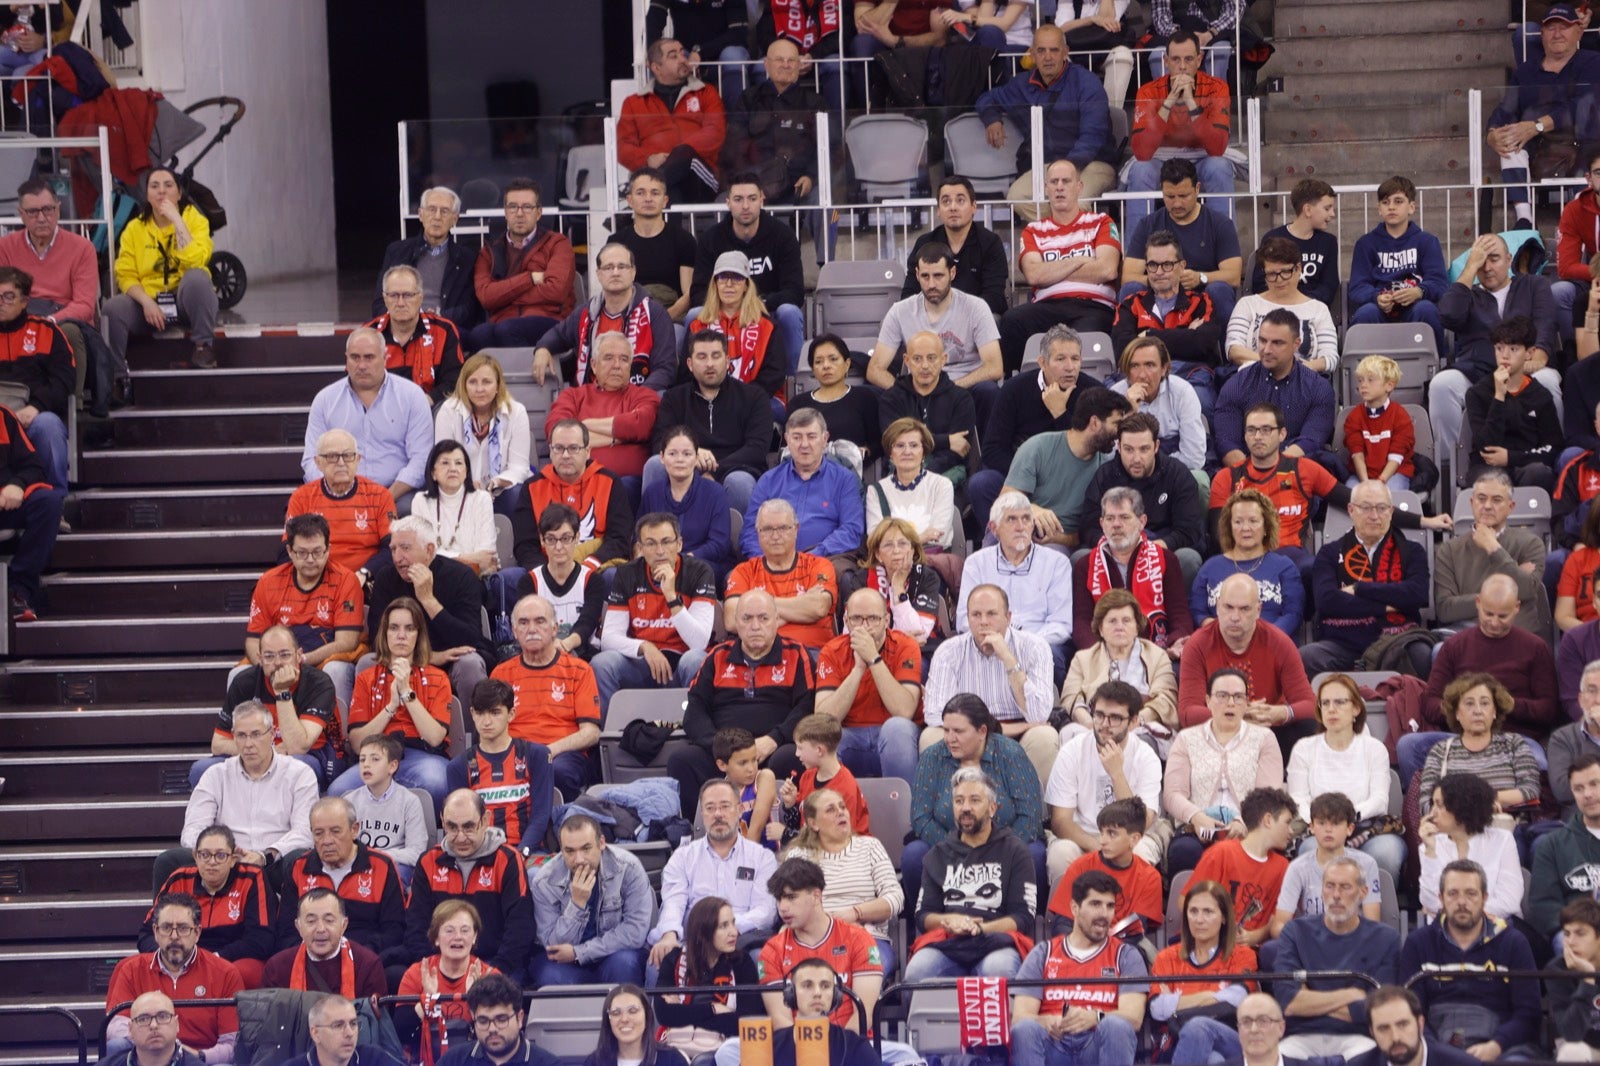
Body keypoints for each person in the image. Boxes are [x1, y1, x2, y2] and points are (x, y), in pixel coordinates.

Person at [669, 589, 810, 817]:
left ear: (776, 621)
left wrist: (774, 739)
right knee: (682, 759)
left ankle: (786, 828)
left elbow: (806, 707)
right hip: (724, 752)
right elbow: (694, 710)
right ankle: (692, 832)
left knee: (794, 756)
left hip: (772, 749)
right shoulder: (717, 656)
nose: (755, 626)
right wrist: (723, 749)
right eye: (747, 618)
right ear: (735, 622)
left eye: (763, 618)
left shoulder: (795, 653)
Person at [904, 694, 1047, 911]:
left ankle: (1025, 927)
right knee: (914, 855)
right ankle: (922, 929)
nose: (949, 738)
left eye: (958, 731)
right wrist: (958, 849)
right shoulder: (932, 758)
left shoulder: (1010, 753)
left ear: (982, 731)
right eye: (946, 730)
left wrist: (994, 854)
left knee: (1034, 854)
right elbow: (921, 818)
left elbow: (1030, 816)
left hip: (1004, 847)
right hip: (948, 847)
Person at [1431, 232, 1563, 462]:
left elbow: (1546, 323)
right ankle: (1452, 468)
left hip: (1526, 370)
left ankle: (1553, 462)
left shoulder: (1533, 284)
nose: (1487, 267)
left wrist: (1538, 359)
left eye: (1494, 258)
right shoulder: (1468, 295)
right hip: (1478, 372)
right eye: (1481, 260)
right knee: (1442, 385)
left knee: (1549, 380)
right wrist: (1470, 268)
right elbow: (1448, 315)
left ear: (1509, 259)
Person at [165, 701, 317, 891]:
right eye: (241, 736)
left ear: (271, 734)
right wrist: (221, 854)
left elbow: (305, 832)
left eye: (255, 735)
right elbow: (191, 831)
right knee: (169, 860)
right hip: (226, 863)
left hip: (274, 862)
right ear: (233, 737)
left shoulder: (300, 774)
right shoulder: (215, 775)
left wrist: (265, 855)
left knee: (299, 858)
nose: (248, 744)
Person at [1399, 859, 1542, 1059]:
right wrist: (1436, 1052)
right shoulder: (1418, 943)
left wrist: (1496, 1045)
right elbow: (1411, 1012)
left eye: (1471, 894)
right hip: (1436, 1047)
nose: (1462, 902)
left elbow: (1529, 1013)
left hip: (1501, 1048)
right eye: (1453, 893)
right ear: (1441, 898)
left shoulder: (1513, 943)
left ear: (1484, 898)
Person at [905, 767, 1037, 981]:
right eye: (958, 801)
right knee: (917, 971)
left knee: (999, 969)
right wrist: (950, 920)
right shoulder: (937, 854)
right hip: (948, 943)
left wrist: (980, 928)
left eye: (974, 800)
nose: (965, 808)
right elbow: (923, 916)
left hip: (996, 943)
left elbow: (1023, 917)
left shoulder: (1015, 851)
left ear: (993, 808)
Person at [1009, 870, 1148, 1066]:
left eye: (1110, 906)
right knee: (1024, 1029)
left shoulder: (1126, 955)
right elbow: (1020, 1017)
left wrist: (1096, 1017)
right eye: (1095, 904)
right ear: (1074, 908)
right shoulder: (1044, 953)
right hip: (1054, 1043)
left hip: (1097, 1043)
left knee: (1116, 1025)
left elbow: (1133, 1018)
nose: (1103, 914)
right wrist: (1046, 1021)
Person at [925, 586, 1058, 787]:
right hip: (968, 734)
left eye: (992, 614)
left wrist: (1008, 658)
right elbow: (934, 714)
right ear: (967, 618)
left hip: (1023, 735)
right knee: (931, 736)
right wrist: (996, 729)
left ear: (1008, 617)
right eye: (976, 615)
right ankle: (948, 812)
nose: (984, 622)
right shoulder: (948, 652)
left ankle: (1039, 815)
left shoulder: (1035, 647)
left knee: (1045, 736)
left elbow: (1038, 715)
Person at [975, 24, 1117, 214]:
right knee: (1017, 197)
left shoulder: (1087, 82)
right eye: (1041, 50)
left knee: (1078, 200)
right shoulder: (1022, 84)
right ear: (1032, 54)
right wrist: (992, 119)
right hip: (1050, 167)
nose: (1047, 57)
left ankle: (1069, 241)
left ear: (1065, 52)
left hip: (1094, 164)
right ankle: (1056, 239)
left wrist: (1065, 171)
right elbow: (986, 98)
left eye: (1054, 50)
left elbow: (1092, 137)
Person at [328, 597, 453, 809]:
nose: (401, 636)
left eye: (409, 628)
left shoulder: (438, 677)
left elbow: (434, 737)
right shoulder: (366, 678)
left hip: (421, 756)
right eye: (394, 628)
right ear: (385, 634)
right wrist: (391, 706)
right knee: (338, 792)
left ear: (418, 635)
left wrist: (407, 693)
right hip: (377, 755)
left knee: (438, 782)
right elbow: (358, 744)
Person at [1300, 479, 1433, 677]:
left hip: (1396, 641)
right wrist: (1384, 606)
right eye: (1366, 508)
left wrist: (1360, 589)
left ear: (1391, 512)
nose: (1374, 516)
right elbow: (1326, 601)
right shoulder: (1330, 552)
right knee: (1306, 657)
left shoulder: (1411, 551)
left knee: (1421, 654)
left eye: (1381, 508)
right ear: (1351, 510)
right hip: (1342, 644)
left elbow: (1417, 594)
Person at [973, 324, 1104, 524]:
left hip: (1071, 480)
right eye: (1061, 359)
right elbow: (993, 450)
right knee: (982, 483)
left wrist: (1060, 413)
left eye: (1075, 359)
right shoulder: (1014, 389)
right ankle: (998, 543)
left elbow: (1090, 451)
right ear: (1042, 362)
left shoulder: (1094, 393)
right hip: (1020, 475)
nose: (1070, 367)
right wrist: (1026, 477)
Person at [998, 160, 1123, 370]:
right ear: (1046, 188)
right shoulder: (1033, 230)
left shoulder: (1102, 222)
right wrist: (1079, 260)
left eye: (1066, 181)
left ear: (1079, 187)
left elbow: (1107, 269)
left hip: (1093, 307)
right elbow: (1034, 276)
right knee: (1011, 321)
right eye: (1054, 182)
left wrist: (1053, 270)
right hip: (1048, 307)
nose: (1059, 187)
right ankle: (1021, 389)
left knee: (1076, 348)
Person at [1273, 857, 1401, 1060]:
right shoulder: (1295, 932)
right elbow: (1289, 1003)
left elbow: (1377, 1009)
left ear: (1363, 893)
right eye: (1330, 886)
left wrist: (1310, 1001)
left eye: (1345, 887)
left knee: (1374, 1057)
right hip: (1300, 1036)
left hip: (1357, 1038)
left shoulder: (1386, 939)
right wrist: (1352, 994)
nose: (1336, 895)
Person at [1487, 2, 1600, 228]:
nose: (1557, 34)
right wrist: (1492, 134)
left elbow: (1584, 105)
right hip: (1541, 148)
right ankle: (1524, 219)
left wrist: (1536, 126)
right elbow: (1505, 109)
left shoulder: (1593, 62)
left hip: (1584, 144)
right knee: (1509, 138)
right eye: (1551, 28)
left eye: (1564, 27)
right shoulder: (1526, 71)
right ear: (1541, 34)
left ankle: (1583, 219)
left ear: (1579, 30)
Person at [1164, 669, 1287, 875]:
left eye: (1238, 697)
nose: (1231, 703)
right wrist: (1196, 816)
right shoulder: (1186, 739)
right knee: (1183, 851)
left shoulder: (1264, 738)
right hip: (1197, 828)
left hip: (1250, 827)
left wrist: (1244, 821)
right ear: (1208, 701)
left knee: (1255, 849)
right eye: (1222, 696)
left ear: (1246, 703)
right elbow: (1172, 794)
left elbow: (1269, 794)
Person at [593, 511, 719, 710]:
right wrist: (645, 647)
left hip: (681, 665)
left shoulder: (700, 571)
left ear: (679, 544)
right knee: (603, 663)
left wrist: (671, 598)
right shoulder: (627, 574)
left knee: (696, 660)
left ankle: (696, 731)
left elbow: (698, 642)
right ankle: (607, 737)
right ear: (640, 548)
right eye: (651, 543)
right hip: (643, 664)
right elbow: (608, 638)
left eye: (667, 542)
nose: (660, 550)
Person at [751, 858, 885, 1041]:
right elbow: (781, 1020)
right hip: (798, 1050)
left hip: (854, 1046)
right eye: (779, 899)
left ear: (816, 896)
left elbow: (864, 1014)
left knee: (906, 1054)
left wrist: (838, 1052)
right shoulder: (772, 951)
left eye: (791, 897)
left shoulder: (858, 939)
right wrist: (811, 1054)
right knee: (728, 1051)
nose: (782, 907)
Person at [1288, 675, 1406, 883]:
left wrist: (1347, 820)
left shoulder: (1374, 749)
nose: (1331, 709)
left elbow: (1379, 800)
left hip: (1367, 827)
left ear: (1356, 709)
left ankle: (1375, 912)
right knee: (1310, 850)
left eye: (1340, 702)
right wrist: (1323, 823)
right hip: (1318, 829)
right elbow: (1298, 800)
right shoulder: (1303, 749)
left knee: (1387, 854)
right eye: (1325, 703)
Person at [369, 506, 492, 707]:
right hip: (403, 657)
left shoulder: (462, 576)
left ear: (429, 550)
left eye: (405, 548)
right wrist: (428, 657)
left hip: (452, 660)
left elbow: (470, 639)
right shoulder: (386, 578)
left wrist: (428, 600)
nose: (398, 557)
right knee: (368, 662)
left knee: (470, 663)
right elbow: (377, 638)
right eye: (393, 549)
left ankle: (473, 736)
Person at [406, 790, 535, 979]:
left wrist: (492, 972)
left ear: (485, 821)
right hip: (441, 965)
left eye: (468, 827)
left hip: (495, 964)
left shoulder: (507, 860)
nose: (460, 837)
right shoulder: (428, 862)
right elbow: (416, 927)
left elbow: (520, 928)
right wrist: (439, 970)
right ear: (442, 819)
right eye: (451, 827)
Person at [1046, 679, 1167, 881]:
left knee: (1140, 854)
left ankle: (1129, 913)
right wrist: (1100, 847)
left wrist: (1117, 774)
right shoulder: (1072, 751)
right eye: (1099, 715)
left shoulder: (1146, 757)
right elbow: (1060, 822)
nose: (1104, 725)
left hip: (1132, 838)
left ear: (1134, 721)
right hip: (1082, 835)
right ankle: (1065, 913)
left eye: (1115, 718)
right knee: (1061, 854)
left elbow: (1140, 824)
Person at [649, 779, 780, 965]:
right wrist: (669, 935)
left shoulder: (762, 858)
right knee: (660, 960)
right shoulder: (682, 857)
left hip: (742, 941)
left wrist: (723, 930)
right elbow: (673, 903)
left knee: (761, 957)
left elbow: (765, 912)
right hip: (694, 942)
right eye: (710, 808)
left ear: (740, 810)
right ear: (702, 813)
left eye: (725, 806)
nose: (718, 814)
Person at [0, 178, 105, 410]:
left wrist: (46, 323)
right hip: (18, 318)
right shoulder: (5, 247)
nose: (41, 217)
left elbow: (85, 305)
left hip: (62, 319)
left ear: (58, 208)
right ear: (21, 214)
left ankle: (73, 407)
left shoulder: (82, 248)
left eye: (48, 209)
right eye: (33, 211)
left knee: (68, 331)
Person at [1420, 573, 1561, 745]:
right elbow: (1429, 702)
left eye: (1503, 616)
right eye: (1488, 614)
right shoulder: (1454, 646)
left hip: (1515, 739)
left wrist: (1510, 705)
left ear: (1517, 607)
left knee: (1538, 762)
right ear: (1478, 603)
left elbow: (1549, 710)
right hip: (1462, 737)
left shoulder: (1535, 648)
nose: (1494, 623)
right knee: (1409, 745)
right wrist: (1463, 709)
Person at [488, 594, 602, 799]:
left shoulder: (580, 671)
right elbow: (491, 731)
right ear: (514, 631)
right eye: (523, 622)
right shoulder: (500, 674)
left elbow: (591, 733)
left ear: (554, 629)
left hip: (563, 754)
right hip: (514, 755)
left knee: (557, 771)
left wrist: (548, 751)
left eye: (539, 621)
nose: (531, 629)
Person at [102, 166, 218, 368]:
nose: (161, 191)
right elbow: (125, 274)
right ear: (147, 195)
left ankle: (203, 348)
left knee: (197, 278)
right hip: (149, 307)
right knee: (113, 308)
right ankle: (116, 377)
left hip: (184, 304)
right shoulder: (134, 229)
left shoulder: (195, 220)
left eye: (168, 185)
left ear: (179, 193)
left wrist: (177, 221)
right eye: (154, 186)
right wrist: (147, 302)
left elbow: (196, 261)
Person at [302, 328, 434, 505]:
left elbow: (421, 459)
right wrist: (337, 493)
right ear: (346, 359)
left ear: (385, 357)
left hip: (396, 495)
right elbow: (311, 460)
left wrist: (385, 498)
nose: (362, 365)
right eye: (355, 358)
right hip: (337, 493)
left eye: (369, 357)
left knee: (410, 509)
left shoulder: (412, 396)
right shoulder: (325, 400)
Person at [869, 251, 1002, 426]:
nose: (931, 284)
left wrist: (949, 389)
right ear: (917, 275)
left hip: (964, 387)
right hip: (917, 388)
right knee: (870, 394)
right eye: (925, 276)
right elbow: (875, 369)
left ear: (952, 273)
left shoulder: (976, 307)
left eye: (938, 276)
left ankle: (986, 452)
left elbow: (995, 367)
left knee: (988, 391)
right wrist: (904, 392)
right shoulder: (900, 310)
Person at [783, 789, 906, 975]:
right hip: (811, 939)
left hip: (867, 937)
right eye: (830, 810)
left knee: (861, 971)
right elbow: (788, 906)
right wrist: (829, 924)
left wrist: (854, 913)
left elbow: (895, 898)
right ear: (813, 823)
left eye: (842, 807)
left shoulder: (870, 847)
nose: (841, 812)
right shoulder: (799, 857)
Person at [105, 898, 242, 1065]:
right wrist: (160, 1047)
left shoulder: (225, 972)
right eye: (166, 928)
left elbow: (232, 1044)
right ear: (155, 932)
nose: (174, 936)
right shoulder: (131, 969)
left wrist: (192, 1054)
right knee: (117, 1047)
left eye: (183, 928)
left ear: (197, 933)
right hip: (148, 1054)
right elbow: (116, 1028)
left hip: (200, 1058)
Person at [687, 175, 806, 368]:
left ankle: (794, 385)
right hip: (723, 312)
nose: (745, 206)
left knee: (790, 312)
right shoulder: (711, 239)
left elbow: (795, 291)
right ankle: (696, 386)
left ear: (762, 200)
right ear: (728, 203)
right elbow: (698, 292)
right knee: (695, 314)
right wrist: (728, 307)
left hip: (768, 310)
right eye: (738, 199)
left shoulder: (782, 236)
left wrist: (757, 304)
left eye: (751, 198)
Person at [206, 621, 341, 789]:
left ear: (298, 656)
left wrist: (282, 691)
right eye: (269, 656)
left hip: (310, 756)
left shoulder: (319, 683)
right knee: (202, 769)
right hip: (255, 754)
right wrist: (265, 752)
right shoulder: (244, 683)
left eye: (285, 655)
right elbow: (218, 743)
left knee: (292, 766)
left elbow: (297, 746)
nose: (277, 663)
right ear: (260, 659)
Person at [1124, 33, 1235, 233]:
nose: (1182, 66)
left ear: (1199, 60)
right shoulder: (1148, 91)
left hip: (1202, 157)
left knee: (1219, 166)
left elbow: (1217, 148)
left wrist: (1191, 102)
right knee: (1140, 171)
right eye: (1175, 59)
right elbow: (1141, 152)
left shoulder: (1217, 88)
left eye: (1189, 59)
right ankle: (1136, 258)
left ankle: (1227, 252)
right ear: (1166, 61)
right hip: (1160, 158)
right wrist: (1169, 101)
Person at [530, 242, 677, 392]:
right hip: (592, 400)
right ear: (598, 274)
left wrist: (635, 398)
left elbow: (665, 369)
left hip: (637, 400)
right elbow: (557, 335)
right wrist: (543, 349)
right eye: (608, 267)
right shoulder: (585, 313)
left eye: (622, 267)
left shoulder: (655, 313)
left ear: (633, 272)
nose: (615, 272)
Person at [957, 492, 1076, 677]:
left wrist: (1021, 644)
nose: (1020, 527)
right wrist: (996, 642)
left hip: (1039, 643)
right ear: (994, 528)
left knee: (1052, 656)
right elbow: (964, 620)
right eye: (1011, 519)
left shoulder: (1057, 563)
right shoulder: (976, 563)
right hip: (988, 640)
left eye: (1026, 519)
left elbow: (1061, 624)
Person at [1177, 573, 1314, 732]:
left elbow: (1310, 705)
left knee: (1307, 726)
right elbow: (1187, 712)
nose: (1235, 617)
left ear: (1258, 610)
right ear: (1217, 606)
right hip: (1216, 734)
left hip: (1268, 730)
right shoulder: (1197, 645)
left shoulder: (1279, 642)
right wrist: (1236, 716)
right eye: (1228, 607)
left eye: (1244, 609)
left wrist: (1282, 713)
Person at [274, 796, 407, 960]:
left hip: (364, 959)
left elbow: (394, 930)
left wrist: (354, 956)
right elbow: (287, 931)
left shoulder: (382, 866)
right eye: (319, 833)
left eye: (335, 831)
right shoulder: (298, 867)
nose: (327, 841)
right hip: (310, 960)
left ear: (354, 829)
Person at [141, 826, 274, 989]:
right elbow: (146, 934)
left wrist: (212, 960)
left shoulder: (251, 877)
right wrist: (172, 955)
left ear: (233, 859)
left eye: (220, 855)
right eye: (204, 855)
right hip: (181, 953)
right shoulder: (178, 879)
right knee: (132, 967)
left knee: (243, 972)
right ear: (195, 857)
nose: (212, 862)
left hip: (231, 958)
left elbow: (261, 939)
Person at [1071, 486, 1196, 659]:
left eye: (1124, 517)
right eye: (1110, 518)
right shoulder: (1085, 565)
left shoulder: (1166, 559)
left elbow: (1180, 614)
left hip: (1157, 652)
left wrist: (1174, 643)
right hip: (1104, 654)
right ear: (1102, 523)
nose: (1116, 524)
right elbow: (1082, 622)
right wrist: (1100, 654)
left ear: (1142, 521)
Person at [529, 813, 653, 987]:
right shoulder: (545, 881)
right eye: (570, 851)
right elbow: (553, 944)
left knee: (625, 963)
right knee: (549, 975)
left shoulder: (628, 869)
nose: (579, 859)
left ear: (601, 843)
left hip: (612, 954)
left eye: (586, 848)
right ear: (561, 849)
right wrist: (577, 905)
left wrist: (580, 952)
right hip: (565, 962)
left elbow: (635, 932)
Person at [1001, 385, 1131, 550]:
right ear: (1095, 422)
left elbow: (1089, 532)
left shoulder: (1105, 469)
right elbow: (1004, 501)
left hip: (1056, 543)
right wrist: (1031, 509)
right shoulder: (1038, 447)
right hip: (1018, 526)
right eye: (1116, 424)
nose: (1120, 432)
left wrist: (1060, 538)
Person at [815, 586, 923, 783]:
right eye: (857, 619)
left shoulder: (906, 645)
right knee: (825, 742)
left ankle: (906, 810)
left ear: (887, 620)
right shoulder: (832, 650)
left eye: (873, 618)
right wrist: (858, 669)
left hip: (896, 736)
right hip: (852, 737)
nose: (865, 626)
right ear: (846, 621)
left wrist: (873, 658)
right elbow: (824, 721)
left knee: (897, 728)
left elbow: (904, 711)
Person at [721, 40, 823, 248]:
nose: (785, 65)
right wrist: (747, 182)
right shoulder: (749, 99)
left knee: (826, 204)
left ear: (799, 65)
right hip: (753, 183)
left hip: (799, 185)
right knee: (721, 203)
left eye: (791, 60)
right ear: (766, 64)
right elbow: (735, 145)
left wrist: (811, 176)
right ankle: (729, 265)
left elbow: (829, 146)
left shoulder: (815, 102)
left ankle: (826, 265)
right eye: (779, 60)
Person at [1082, 409, 1207, 573]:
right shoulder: (1105, 476)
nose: (1136, 458)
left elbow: (1189, 529)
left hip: (1163, 548)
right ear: (1118, 447)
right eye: (1128, 449)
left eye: (1144, 449)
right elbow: (1088, 527)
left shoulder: (1177, 474)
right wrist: (1116, 546)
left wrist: (1153, 548)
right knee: (1081, 558)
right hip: (1115, 548)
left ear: (1156, 446)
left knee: (1188, 558)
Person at [1149, 880, 1259, 1066]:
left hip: (1231, 1038)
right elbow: (1158, 1009)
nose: (1199, 919)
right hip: (1178, 1041)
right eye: (1193, 911)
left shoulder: (1242, 955)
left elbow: (1239, 999)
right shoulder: (1167, 957)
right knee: (1212, 1059)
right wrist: (1212, 997)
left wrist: (1177, 1003)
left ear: (1224, 917)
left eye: (1208, 912)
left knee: (1199, 1026)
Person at [1414, 673, 1544, 825]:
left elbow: (1530, 790)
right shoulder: (1440, 751)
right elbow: (1426, 803)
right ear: (1456, 713)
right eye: (1469, 704)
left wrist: (1489, 799)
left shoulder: (1514, 744)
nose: (1477, 711)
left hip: (1509, 829)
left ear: (1494, 711)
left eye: (1485, 703)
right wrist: (1476, 806)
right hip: (1457, 831)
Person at [463, 178, 575, 352]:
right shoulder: (489, 251)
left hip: (549, 320)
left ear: (538, 212)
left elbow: (556, 291)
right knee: (478, 335)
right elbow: (486, 297)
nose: (520, 213)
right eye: (513, 207)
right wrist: (529, 278)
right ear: (505, 212)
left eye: (527, 207)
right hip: (502, 322)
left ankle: (530, 378)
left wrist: (503, 295)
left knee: (508, 330)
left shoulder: (557, 243)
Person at [1217, 307, 1338, 467]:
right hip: (1246, 475)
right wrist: (1254, 475)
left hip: (1298, 472)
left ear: (1296, 345)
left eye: (1277, 343)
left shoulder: (1318, 388)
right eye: (1262, 341)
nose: (1266, 350)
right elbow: (1226, 443)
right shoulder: (1237, 384)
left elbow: (1311, 442)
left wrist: (1271, 473)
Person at [445, 681, 553, 857]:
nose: (486, 721)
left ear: (511, 714)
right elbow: (460, 824)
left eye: (495, 713)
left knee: (538, 879)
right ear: (472, 713)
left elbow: (541, 816)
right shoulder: (458, 767)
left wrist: (520, 855)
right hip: (478, 856)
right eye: (480, 713)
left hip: (528, 853)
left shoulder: (537, 755)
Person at [1435, 469, 1548, 638]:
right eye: (1481, 499)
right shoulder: (1449, 550)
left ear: (1511, 507)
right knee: (1438, 651)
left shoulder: (1531, 544)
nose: (1487, 506)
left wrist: (1494, 548)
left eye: (1496, 500)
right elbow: (1445, 609)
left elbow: (1527, 590)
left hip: (1518, 636)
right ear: (1472, 503)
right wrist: (1505, 592)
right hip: (1465, 636)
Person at [510, 419, 635, 571]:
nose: (566, 455)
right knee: (510, 577)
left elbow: (619, 539)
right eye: (559, 448)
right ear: (550, 450)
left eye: (574, 448)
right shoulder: (532, 487)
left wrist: (591, 564)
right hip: (546, 567)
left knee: (613, 575)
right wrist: (547, 573)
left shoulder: (610, 482)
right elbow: (525, 545)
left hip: (596, 568)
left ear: (588, 451)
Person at [740, 408, 864, 559]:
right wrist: (764, 561)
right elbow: (750, 532)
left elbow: (851, 530)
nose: (804, 444)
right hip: (772, 561)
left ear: (825, 439)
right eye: (797, 437)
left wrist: (814, 556)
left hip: (825, 560)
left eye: (811, 437)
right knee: (732, 578)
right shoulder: (768, 480)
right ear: (787, 439)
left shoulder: (844, 479)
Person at [1347, 175, 1449, 352]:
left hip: (1415, 307)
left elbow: (1439, 283)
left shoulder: (1427, 241)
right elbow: (1357, 287)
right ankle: (1362, 373)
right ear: (1379, 209)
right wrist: (1377, 297)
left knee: (1426, 309)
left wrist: (1419, 291)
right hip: (1380, 309)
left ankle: (1437, 369)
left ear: (1411, 207)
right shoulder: (1366, 243)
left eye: (1398, 201)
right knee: (1365, 314)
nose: (1391, 207)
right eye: (1385, 202)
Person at [619, 38, 726, 205]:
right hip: (661, 176)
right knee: (671, 194)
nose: (683, 59)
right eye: (673, 56)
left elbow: (715, 132)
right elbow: (623, 147)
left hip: (700, 176)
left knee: (684, 153)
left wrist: (677, 155)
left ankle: (642, 199)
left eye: (682, 53)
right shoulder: (634, 103)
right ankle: (655, 193)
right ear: (656, 67)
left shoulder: (706, 92)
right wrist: (648, 160)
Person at [1058, 590, 1180, 736]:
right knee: (1069, 733)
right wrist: (1090, 723)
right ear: (1101, 629)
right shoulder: (1082, 659)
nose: (1119, 627)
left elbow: (1166, 699)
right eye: (1112, 621)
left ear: (1137, 627)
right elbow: (1070, 699)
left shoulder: (1158, 656)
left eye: (1126, 620)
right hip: (1094, 727)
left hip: (1140, 727)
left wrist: (1136, 721)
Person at [653, 896, 760, 1059]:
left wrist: (682, 1014)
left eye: (733, 922)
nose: (734, 931)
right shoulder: (674, 959)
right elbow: (664, 1014)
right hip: (677, 1047)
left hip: (724, 1050)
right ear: (704, 931)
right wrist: (713, 1009)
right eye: (724, 926)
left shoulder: (741, 963)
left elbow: (745, 1022)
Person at [1465, 315, 1563, 492]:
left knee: (1540, 473)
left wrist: (1511, 458)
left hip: (1526, 464)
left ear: (1529, 353)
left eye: (1513, 349)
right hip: (1487, 467)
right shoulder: (1477, 393)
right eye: (1499, 348)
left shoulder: (1540, 396)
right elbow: (1485, 445)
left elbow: (1553, 448)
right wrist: (1499, 396)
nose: (1505, 356)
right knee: (1488, 480)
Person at [546, 333, 662, 483]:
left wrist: (585, 424)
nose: (617, 365)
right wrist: (620, 437)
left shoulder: (645, 395)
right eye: (608, 358)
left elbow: (642, 424)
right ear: (594, 365)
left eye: (624, 359)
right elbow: (557, 432)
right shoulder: (572, 396)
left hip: (628, 485)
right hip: (578, 482)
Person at [1269, 791, 1385, 941]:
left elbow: (1372, 922)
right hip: (1309, 943)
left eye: (1335, 823)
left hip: (1352, 942)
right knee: (1270, 951)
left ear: (1349, 829)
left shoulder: (1367, 864)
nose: (1328, 830)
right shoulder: (1297, 868)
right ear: (1311, 827)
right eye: (1321, 823)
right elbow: (1280, 924)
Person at [1188, 787, 1296, 946]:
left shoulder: (1283, 867)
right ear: (1267, 820)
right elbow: (1186, 900)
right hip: (1210, 946)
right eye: (1287, 822)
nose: (1291, 831)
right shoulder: (1221, 853)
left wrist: (1255, 937)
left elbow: (1277, 919)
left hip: (1249, 953)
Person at [1048, 797, 1164, 942]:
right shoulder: (1081, 866)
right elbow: (1062, 924)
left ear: (1134, 839)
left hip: (1122, 951)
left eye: (1112, 833)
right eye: (1102, 833)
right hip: (1080, 949)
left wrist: (1104, 952)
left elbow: (1136, 931)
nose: (1102, 841)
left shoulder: (1149, 877)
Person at [286, 430, 397, 582]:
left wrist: (364, 573)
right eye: (332, 456)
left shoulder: (380, 496)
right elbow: (288, 549)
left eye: (347, 455)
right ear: (318, 462)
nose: (341, 463)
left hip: (365, 579)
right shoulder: (302, 497)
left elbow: (391, 548)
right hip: (317, 579)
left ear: (358, 459)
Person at [726, 497, 838, 647]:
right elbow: (731, 620)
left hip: (812, 654)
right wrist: (801, 606)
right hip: (760, 656)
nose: (775, 536)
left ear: (796, 529)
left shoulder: (818, 565)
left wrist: (755, 610)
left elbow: (818, 607)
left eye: (783, 528)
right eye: (767, 529)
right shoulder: (744, 572)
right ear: (757, 532)